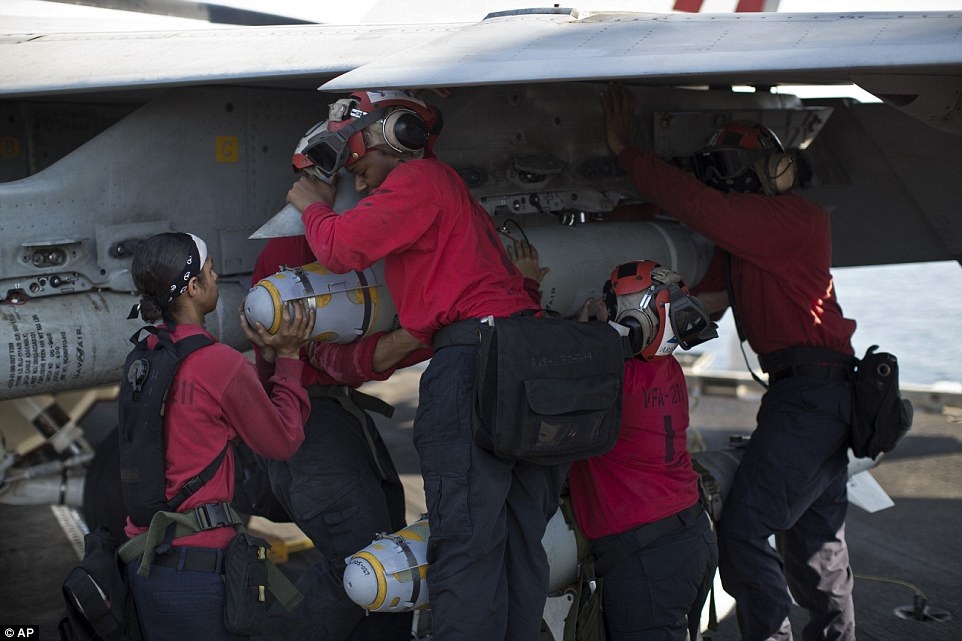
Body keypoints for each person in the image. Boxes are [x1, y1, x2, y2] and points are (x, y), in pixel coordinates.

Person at [286, 89, 566, 641]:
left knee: (463, 539)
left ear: (394, 138)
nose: (360, 185)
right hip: (520, 359)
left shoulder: (420, 179)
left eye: (361, 168)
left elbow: (342, 250)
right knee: (517, 538)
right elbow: (439, 319)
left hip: (476, 364)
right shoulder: (452, 201)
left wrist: (312, 203)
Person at [602, 82, 858, 641]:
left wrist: (627, 153)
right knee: (817, 545)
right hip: (812, 394)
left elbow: (701, 208)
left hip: (813, 397)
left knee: (744, 533)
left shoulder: (796, 220)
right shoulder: (751, 241)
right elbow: (704, 303)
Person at [123, 231, 313, 641]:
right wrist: (289, 358)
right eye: (209, 272)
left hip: (143, 561)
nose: (215, 277)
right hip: (200, 567)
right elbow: (282, 441)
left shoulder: (143, 356)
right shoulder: (219, 364)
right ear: (194, 288)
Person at [246, 233, 427, 641]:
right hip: (318, 428)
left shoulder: (281, 254)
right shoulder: (289, 253)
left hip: (332, 421)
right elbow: (343, 362)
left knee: (389, 558)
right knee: (362, 566)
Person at [568, 260, 718, 641]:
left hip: (648, 560)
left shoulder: (613, 379)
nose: (603, 308)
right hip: (692, 536)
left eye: (610, 302)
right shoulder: (668, 369)